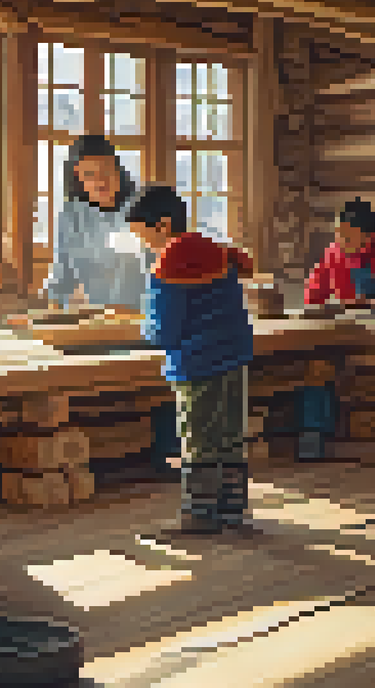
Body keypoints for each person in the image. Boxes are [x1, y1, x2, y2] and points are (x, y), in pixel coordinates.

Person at [126, 185, 256, 535]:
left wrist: (143, 330)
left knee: (197, 438)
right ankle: (232, 510)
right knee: (229, 436)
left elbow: (165, 331)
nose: (145, 246)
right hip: (234, 354)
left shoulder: (170, 261)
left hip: (198, 361)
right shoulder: (216, 250)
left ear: (163, 225)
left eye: (144, 237)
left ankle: (199, 514)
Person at [43, 134, 149, 311]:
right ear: (78, 178)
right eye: (90, 174)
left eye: (106, 171)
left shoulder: (143, 209)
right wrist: (53, 317)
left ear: (118, 171)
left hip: (140, 318)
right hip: (92, 319)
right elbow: (61, 277)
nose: (100, 181)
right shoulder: (71, 215)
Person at [304, 198, 375, 307]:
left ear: (369, 237)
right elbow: (314, 290)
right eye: (338, 235)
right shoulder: (332, 254)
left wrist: (374, 298)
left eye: (347, 238)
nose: (340, 243)